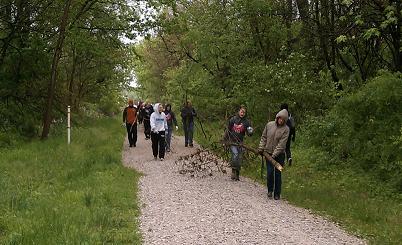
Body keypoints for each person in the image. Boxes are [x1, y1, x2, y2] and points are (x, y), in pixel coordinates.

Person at [258, 109, 289, 200]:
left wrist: (274, 155)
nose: (281, 120)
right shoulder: (269, 125)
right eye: (280, 118)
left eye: (283, 119)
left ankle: (277, 193)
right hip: (268, 153)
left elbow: (282, 144)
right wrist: (261, 148)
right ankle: (270, 190)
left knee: (278, 174)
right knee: (270, 173)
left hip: (280, 155)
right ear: (277, 117)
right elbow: (264, 137)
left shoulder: (286, 129)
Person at [226, 106, 253, 181]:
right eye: (241, 111)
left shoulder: (246, 122)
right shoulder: (233, 119)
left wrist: (250, 132)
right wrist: (225, 140)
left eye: (244, 112)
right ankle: (233, 171)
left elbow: (249, 133)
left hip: (240, 142)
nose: (242, 113)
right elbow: (228, 130)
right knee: (235, 155)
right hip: (232, 142)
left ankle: (237, 173)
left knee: (239, 158)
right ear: (238, 112)